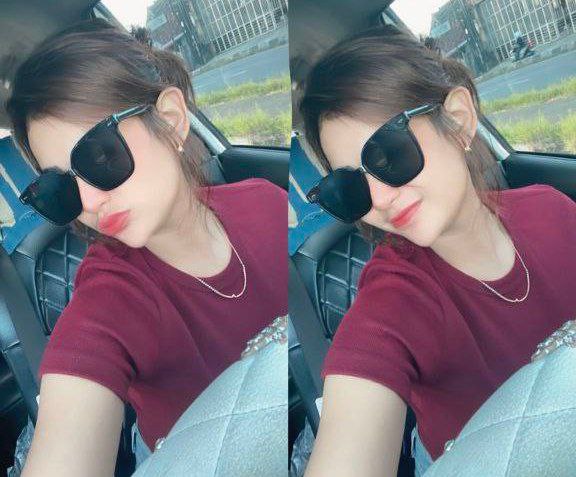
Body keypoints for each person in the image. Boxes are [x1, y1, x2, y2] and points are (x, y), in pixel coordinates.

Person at [6, 19, 287, 476]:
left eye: (100, 156)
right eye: (62, 189)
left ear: (171, 121)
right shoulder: (110, 297)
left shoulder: (267, 202)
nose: (89, 202)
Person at [299, 25, 576, 476]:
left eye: (388, 155)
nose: (380, 199)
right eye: (350, 186)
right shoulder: (394, 301)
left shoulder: (552, 209)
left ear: (460, 120)